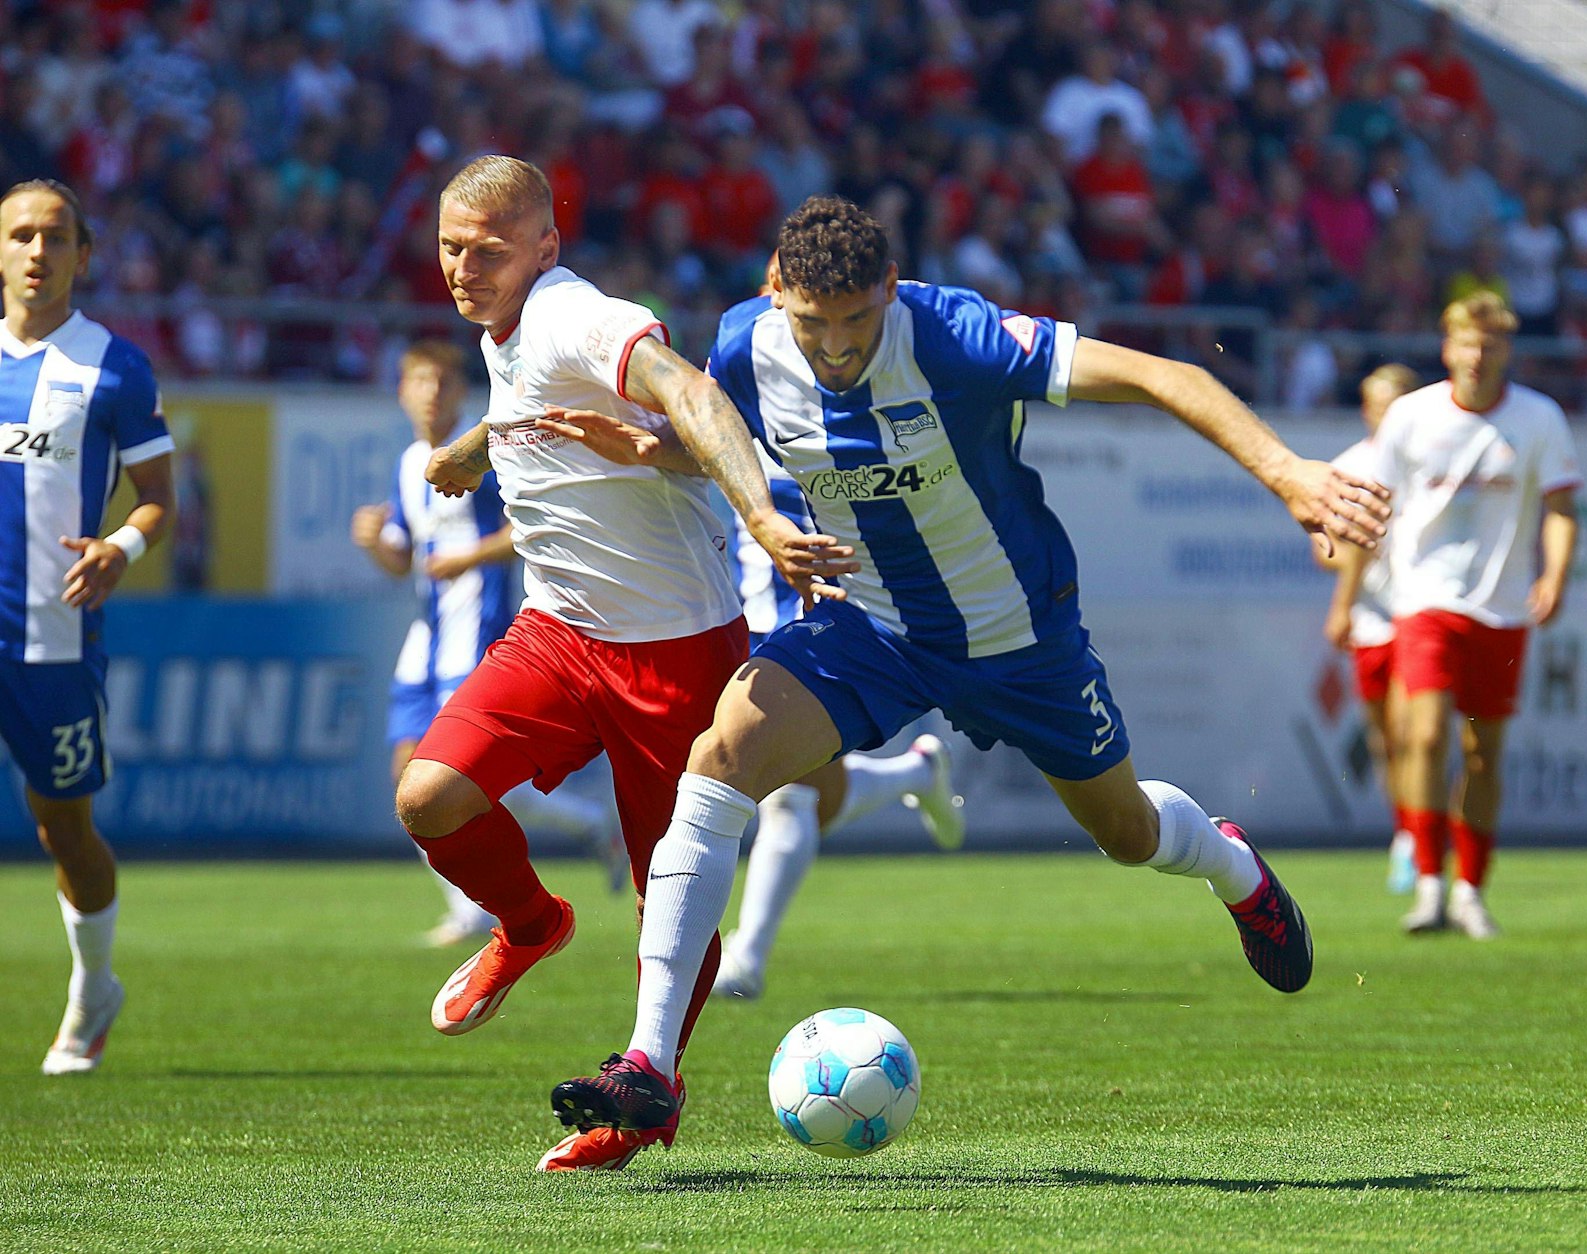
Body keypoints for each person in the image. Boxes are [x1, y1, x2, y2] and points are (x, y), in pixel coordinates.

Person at [538, 195, 1390, 1169]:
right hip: (869, 624)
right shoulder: (743, 344)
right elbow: (724, 434)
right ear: (776, 296)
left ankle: (1231, 867)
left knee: (1125, 833)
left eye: (856, 323)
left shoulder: (956, 336)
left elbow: (1164, 375)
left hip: (1015, 634)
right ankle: (648, 1063)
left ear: (890, 294)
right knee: (720, 757)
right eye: (812, 326)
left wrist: (1287, 474)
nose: (835, 349)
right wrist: (655, 450)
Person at [396, 157, 842, 1167]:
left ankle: (648, 1097)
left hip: (676, 652)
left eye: (490, 252)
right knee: (428, 798)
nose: (465, 269)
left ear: (547, 249)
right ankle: (528, 922)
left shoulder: (573, 316)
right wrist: (474, 447)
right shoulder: (510, 326)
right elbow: (527, 392)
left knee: (669, 902)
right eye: (450, 248)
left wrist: (761, 516)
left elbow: (687, 391)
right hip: (556, 636)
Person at [709, 251, 964, 1004]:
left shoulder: (864, 390)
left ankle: (746, 960)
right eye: (783, 296)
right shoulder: (730, 385)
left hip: (828, 615)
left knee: (786, 793)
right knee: (778, 786)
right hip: (739, 616)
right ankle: (916, 773)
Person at [351, 340, 624, 947]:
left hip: (479, 634)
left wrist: (470, 555)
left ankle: (587, 826)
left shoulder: (488, 455)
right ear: (401, 392)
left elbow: (526, 529)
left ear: (460, 390)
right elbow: (404, 562)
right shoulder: (409, 463)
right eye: (420, 381)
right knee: (409, 780)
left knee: (459, 779)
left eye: (443, 382)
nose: (431, 393)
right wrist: (376, 543)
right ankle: (475, 905)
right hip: (426, 640)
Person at [0, 179, 175, 1074]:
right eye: (22, 235)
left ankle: (93, 988)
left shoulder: (114, 367)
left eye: (55, 236)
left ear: (82, 254)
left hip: (53, 642)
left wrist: (119, 550)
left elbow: (158, 501)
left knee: (63, 830)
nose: (38, 251)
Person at [1370, 293, 1580, 939]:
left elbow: (1563, 506)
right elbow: (1377, 501)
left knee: (1483, 753)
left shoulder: (1539, 418)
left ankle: (1470, 890)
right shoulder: (1410, 416)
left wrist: (1555, 576)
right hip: (1425, 600)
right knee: (1427, 735)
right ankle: (1429, 885)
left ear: (1506, 351)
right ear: (1448, 348)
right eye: (1467, 342)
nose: (1478, 355)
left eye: (1490, 344)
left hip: (1502, 605)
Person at [1320, 363, 1420, 894]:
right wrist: (1356, 561)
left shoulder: (1428, 461)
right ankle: (1407, 829)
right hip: (1372, 619)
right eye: (1378, 401)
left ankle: (1417, 840)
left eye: (1396, 400)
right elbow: (1322, 545)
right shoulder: (1349, 468)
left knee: (1415, 732)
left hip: (1421, 611)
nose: (1386, 411)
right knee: (1385, 739)